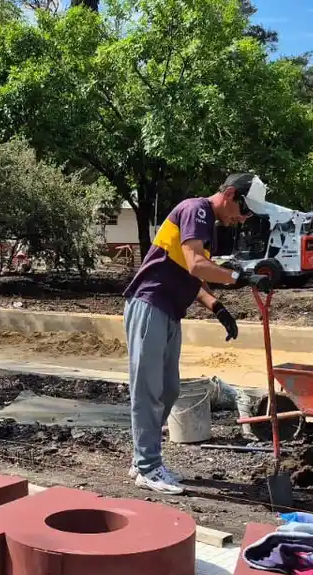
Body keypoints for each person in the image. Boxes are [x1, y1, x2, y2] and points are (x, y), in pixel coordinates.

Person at [123, 173, 257, 495]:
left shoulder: (206, 225)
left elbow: (192, 276)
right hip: (150, 303)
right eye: (243, 210)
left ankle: (143, 459)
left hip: (169, 311)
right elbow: (197, 265)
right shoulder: (196, 209)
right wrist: (240, 277)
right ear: (228, 194)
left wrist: (218, 308)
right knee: (148, 391)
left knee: (168, 391)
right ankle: (148, 467)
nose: (242, 219)